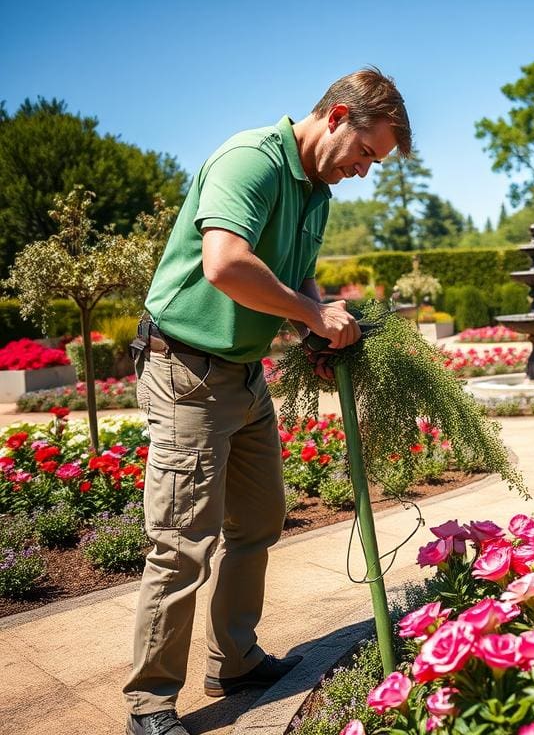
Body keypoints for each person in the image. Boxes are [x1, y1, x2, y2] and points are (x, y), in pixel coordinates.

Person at [123, 68, 411, 735]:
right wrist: (311, 316)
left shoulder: (315, 192)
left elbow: (295, 273)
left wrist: (316, 308)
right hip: (186, 372)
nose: (365, 171)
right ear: (339, 115)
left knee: (258, 520)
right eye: (367, 154)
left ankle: (235, 659)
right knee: (181, 541)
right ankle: (148, 705)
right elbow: (225, 263)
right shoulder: (250, 160)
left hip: (244, 376)